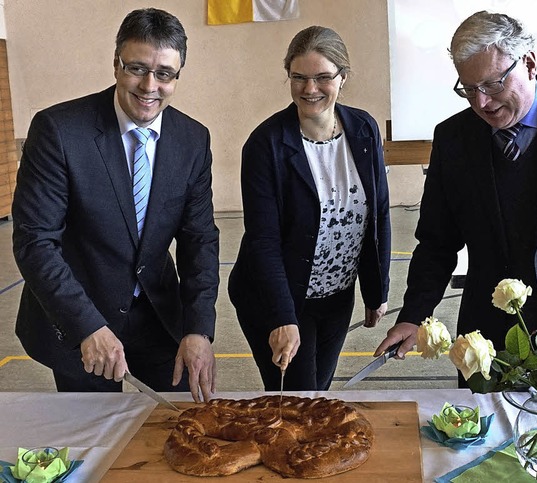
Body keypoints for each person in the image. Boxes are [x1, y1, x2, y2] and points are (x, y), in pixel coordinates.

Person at [374, 11, 537, 372]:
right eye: (468, 89)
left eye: (493, 84)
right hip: (488, 346)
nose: (481, 103)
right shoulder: (454, 138)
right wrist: (414, 314)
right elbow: (437, 241)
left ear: (529, 63)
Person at [12, 8, 220, 402]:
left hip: (160, 321)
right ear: (115, 64)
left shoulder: (193, 140)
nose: (149, 85)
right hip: (81, 321)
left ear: (177, 76)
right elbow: (36, 242)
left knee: (170, 433)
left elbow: (200, 241)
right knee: (96, 441)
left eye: (164, 74)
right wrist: (86, 325)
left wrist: (198, 328)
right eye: (137, 68)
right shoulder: (59, 131)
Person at [228, 26, 391, 391]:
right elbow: (263, 240)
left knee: (319, 393)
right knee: (297, 402)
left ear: (343, 77)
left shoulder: (363, 128)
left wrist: (376, 289)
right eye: (299, 77)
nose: (310, 89)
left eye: (322, 77)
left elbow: (377, 211)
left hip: (336, 296)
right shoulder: (265, 145)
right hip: (278, 297)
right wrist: (282, 318)